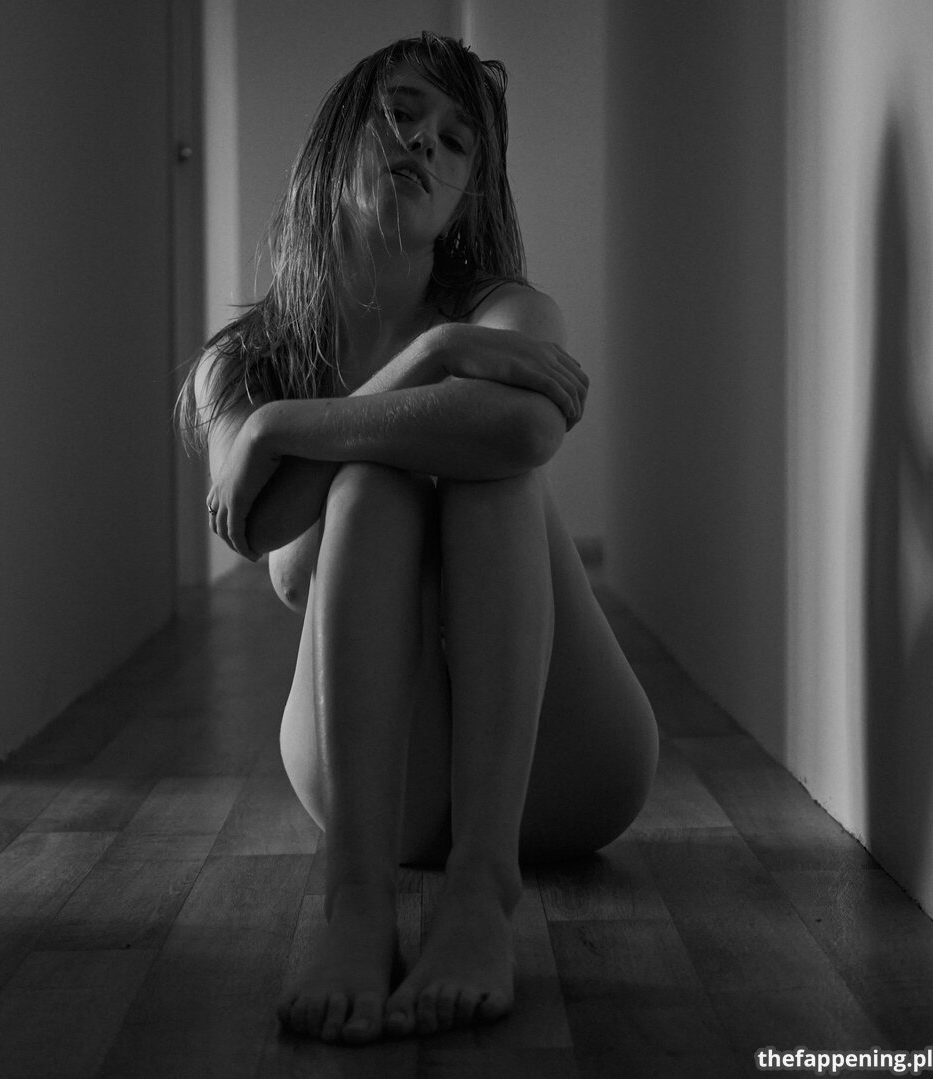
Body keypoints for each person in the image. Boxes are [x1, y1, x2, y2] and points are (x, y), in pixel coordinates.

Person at [177, 32, 658, 1045]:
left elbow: (524, 435)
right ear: (340, 137)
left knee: (488, 477)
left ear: (467, 195)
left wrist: (295, 426)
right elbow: (264, 533)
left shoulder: (507, 311)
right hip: (372, 791)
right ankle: (355, 904)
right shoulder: (244, 366)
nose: (426, 143)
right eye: (402, 114)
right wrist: (430, 365)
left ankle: (483, 889)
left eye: (456, 140)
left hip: (567, 764)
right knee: (373, 486)